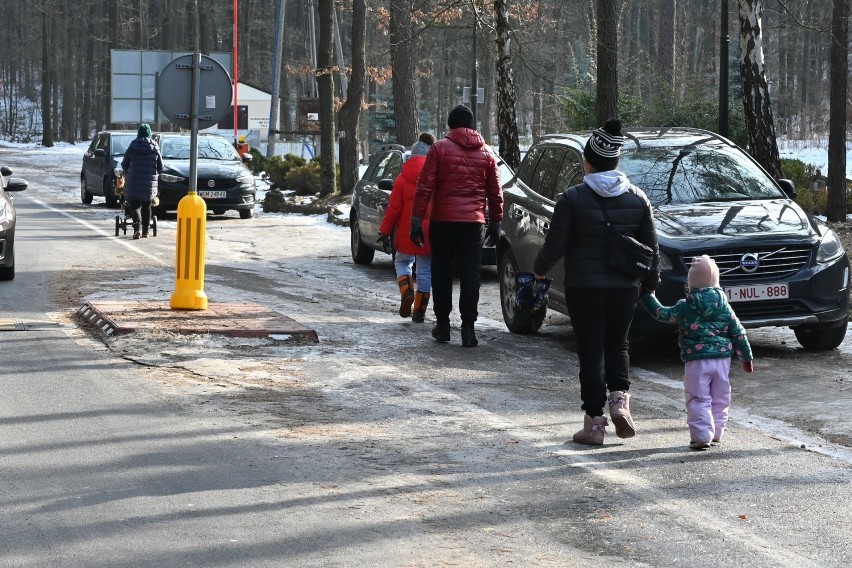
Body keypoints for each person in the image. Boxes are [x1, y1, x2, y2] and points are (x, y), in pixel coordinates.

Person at [532, 118, 660, 446]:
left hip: (583, 287)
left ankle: (594, 425)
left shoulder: (572, 199)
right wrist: (650, 285)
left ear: (588, 161)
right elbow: (651, 248)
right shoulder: (638, 198)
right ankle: (620, 402)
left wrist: (539, 271)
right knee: (618, 345)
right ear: (616, 161)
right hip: (624, 288)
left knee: (590, 352)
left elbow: (555, 246)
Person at [411, 105, 503, 347]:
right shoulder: (486, 154)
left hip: (443, 221)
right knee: (470, 275)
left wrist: (417, 220)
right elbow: (495, 192)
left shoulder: (439, 149)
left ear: (450, 125)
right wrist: (496, 222)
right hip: (473, 224)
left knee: (441, 273)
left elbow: (424, 187)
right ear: (472, 126)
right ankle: (468, 330)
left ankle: (442, 326)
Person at [639, 255, 754, 450]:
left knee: (698, 397)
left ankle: (701, 436)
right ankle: (717, 432)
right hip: (723, 359)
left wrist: (646, 296)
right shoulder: (725, 306)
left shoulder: (685, 306)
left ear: (691, 282)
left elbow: (662, 314)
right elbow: (739, 333)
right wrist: (746, 358)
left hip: (697, 360)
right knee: (720, 396)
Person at [378, 132, 436, 322]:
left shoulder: (402, 180)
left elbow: (393, 209)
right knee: (425, 269)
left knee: (402, 262)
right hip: (428, 232)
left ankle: (406, 290)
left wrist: (385, 231)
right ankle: (420, 310)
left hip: (406, 231)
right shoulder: (435, 179)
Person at [120, 123, 162, 240]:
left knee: (134, 205)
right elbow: (160, 167)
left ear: (138, 134)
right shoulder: (155, 148)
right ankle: (145, 231)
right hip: (149, 184)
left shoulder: (132, 146)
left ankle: (137, 228)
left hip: (133, 182)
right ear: (150, 134)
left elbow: (124, 165)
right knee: (147, 206)